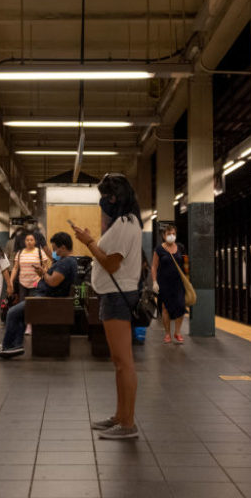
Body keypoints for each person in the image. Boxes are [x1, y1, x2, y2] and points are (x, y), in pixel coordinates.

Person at [72, 173, 143, 440]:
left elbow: (112, 263)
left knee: (124, 362)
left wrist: (89, 243)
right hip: (112, 295)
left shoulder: (126, 223)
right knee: (118, 362)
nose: (104, 202)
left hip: (118, 295)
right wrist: (93, 240)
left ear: (117, 198)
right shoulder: (123, 223)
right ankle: (119, 416)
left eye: (107, 197)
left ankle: (128, 424)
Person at [0, 232, 78, 358]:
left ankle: (7, 345)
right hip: (46, 297)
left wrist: (43, 273)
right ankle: (15, 345)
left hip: (46, 299)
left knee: (12, 312)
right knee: (19, 315)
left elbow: (53, 282)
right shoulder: (68, 261)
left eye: (55, 249)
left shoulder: (66, 263)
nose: (53, 253)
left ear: (63, 248)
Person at [151, 224, 188, 344]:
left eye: (173, 233)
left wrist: (188, 279)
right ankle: (167, 334)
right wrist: (154, 281)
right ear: (164, 235)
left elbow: (186, 264)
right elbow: (154, 266)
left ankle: (177, 332)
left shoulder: (181, 247)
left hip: (178, 282)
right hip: (164, 282)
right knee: (165, 308)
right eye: (169, 234)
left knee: (181, 306)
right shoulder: (159, 249)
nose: (172, 236)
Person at [9, 234, 51, 303]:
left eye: (31, 240)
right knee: (22, 305)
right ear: (24, 242)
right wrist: (11, 281)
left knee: (33, 304)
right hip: (22, 284)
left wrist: (43, 272)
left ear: (35, 242)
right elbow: (15, 268)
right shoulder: (20, 253)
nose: (29, 242)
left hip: (36, 283)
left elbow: (45, 266)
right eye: (27, 240)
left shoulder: (40, 252)